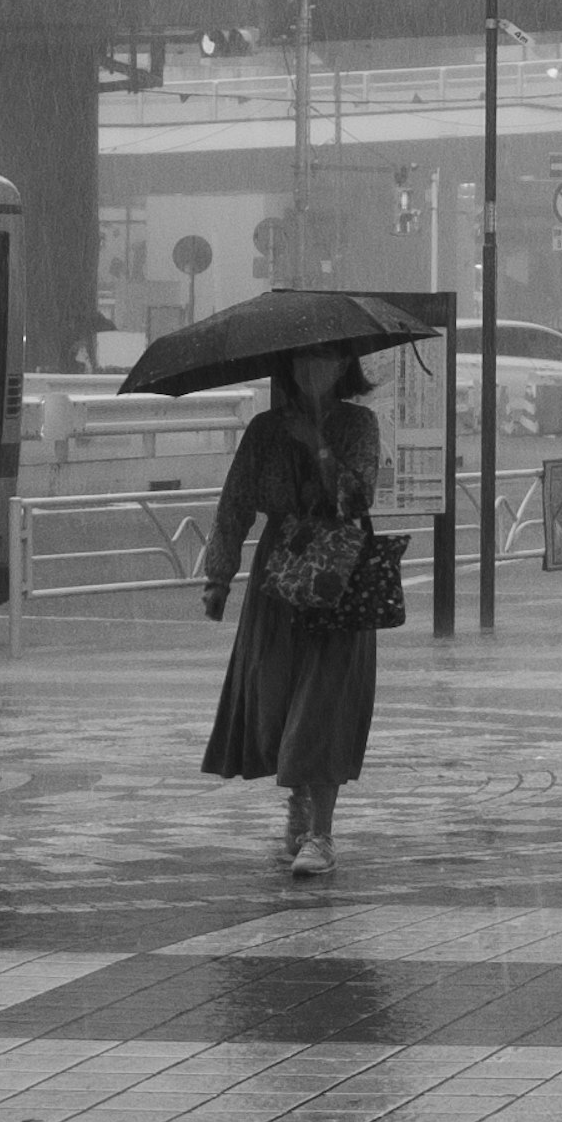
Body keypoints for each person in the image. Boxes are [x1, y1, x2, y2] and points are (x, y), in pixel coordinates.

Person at [200, 349, 383, 878]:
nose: (313, 372)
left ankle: (320, 833)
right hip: (278, 580)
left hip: (339, 576)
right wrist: (219, 575)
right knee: (274, 700)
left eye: (325, 361)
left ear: (344, 366)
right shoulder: (264, 430)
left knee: (323, 703)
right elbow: (235, 503)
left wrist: (318, 446)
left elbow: (358, 495)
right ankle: (299, 805)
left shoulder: (359, 424)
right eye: (303, 363)